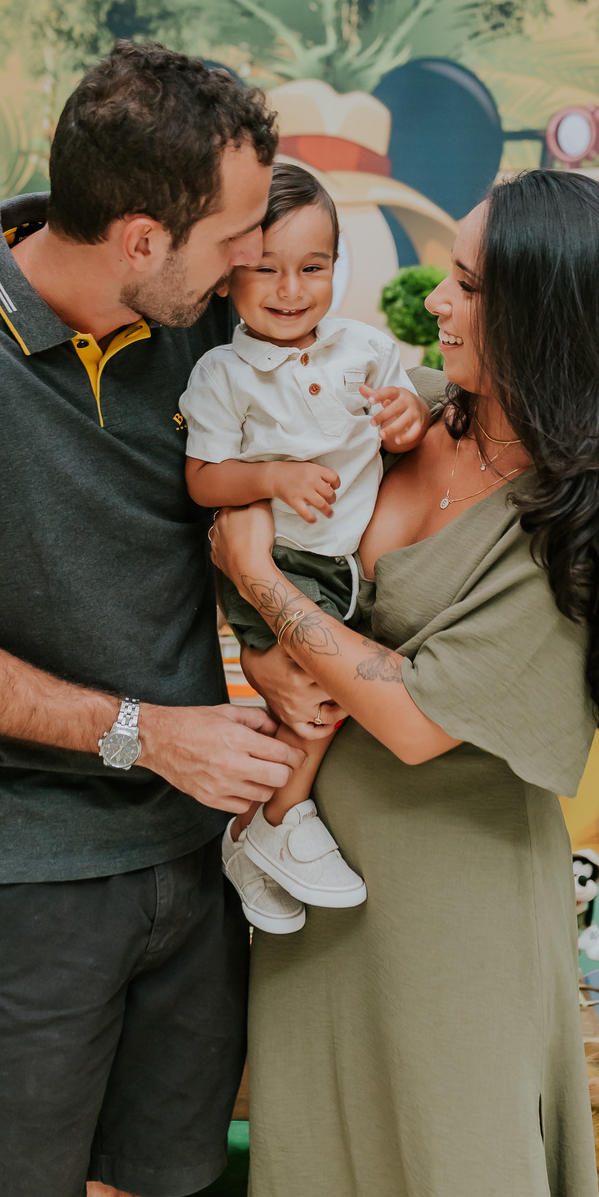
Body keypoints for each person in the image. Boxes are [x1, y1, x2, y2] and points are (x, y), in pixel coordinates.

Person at [0, 42, 306, 1197]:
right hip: (30, 876)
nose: (252, 266)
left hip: (189, 864)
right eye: (232, 241)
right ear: (143, 238)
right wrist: (145, 732)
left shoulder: (198, 333)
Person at [210, 170, 599, 1197]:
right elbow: (280, 573)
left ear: (540, 317)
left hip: (459, 909)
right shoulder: (397, 408)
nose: (436, 299)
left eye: (469, 285)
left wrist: (262, 590)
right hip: (320, 897)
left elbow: (416, 717)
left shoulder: (579, 524)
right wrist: (266, 643)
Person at [179, 160, 430, 931]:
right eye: (267, 270)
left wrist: (406, 418)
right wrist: (274, 476)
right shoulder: (225, 373)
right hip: (281, 563)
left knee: (332, 695)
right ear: (227, 278)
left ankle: (258, 837)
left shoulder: (367, 350)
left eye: (312, 268)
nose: (291, 290)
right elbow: (201, 481)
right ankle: (278, 822)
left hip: (347, 569)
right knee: (324, 701)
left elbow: (408, 417)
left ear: (335, 267)